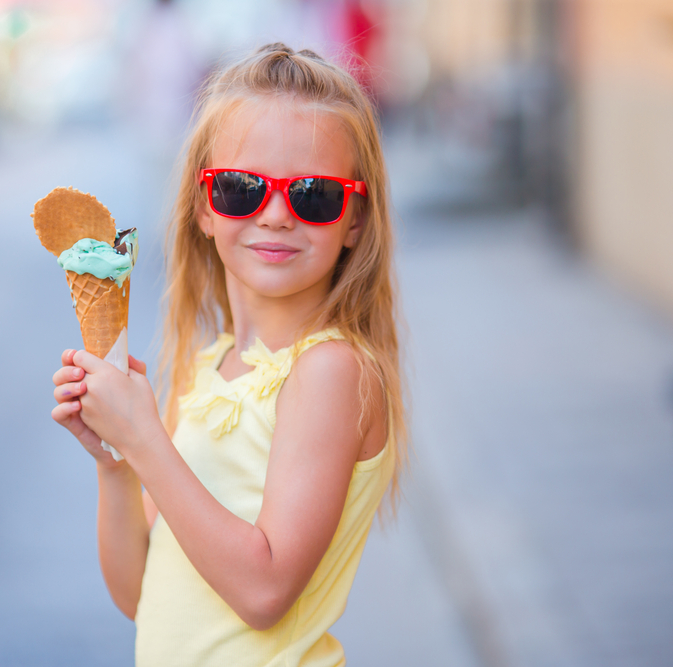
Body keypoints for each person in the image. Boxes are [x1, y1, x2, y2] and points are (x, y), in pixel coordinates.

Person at [50, 43, 407, 666]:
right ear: (204, 209)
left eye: (314, 195)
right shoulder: (208, 368)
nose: (274, 215)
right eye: (241, 189)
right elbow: (140, 593)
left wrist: (146, 442)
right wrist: (115, 462)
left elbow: (264, 591)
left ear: (354, 219)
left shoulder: (330, 371)